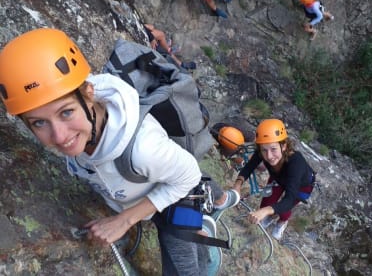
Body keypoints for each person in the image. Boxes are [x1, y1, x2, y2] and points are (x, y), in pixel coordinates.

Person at [0, 28, 240, 275]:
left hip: (179, 194)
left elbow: (188, 175)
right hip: (146, 186)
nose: (59, 136)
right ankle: (207, 221)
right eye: (39, 122)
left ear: (89, 94)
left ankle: (208, 221)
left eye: (66, 112)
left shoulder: (143, 147)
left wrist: (124, 220)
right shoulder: (84, 129)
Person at [232, 119, 315, 240]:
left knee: (284, 209)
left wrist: (266, 211)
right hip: (279, 178)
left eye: (273, 149)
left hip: (301, 184)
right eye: (264, 150)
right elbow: (249, 167)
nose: (269, 156)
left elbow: (289, 199)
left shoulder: (296, 162)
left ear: (284, 145)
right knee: (266, 203)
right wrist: (237, 185)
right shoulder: (264, 152)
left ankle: (282, 222)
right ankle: (270, 217)